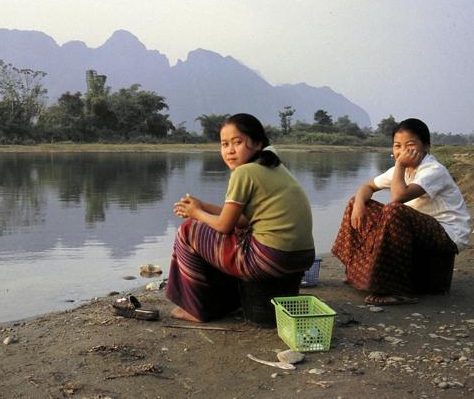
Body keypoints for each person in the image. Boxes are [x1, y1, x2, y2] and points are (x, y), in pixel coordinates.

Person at [166, 113, 316, 322]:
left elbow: (225, 226)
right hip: (301, 257)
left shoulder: (244, 173)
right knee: (236, 231)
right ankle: (228, 301)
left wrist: (196, 214)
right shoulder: (274, 168)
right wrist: (202, 207)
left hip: (271, 258)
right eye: (224, 144)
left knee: (188, 231)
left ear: (257, 143)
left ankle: (195, 309)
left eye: (237, 142)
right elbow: (241, 220)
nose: (229, 150)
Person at [332, 118, 471, 305]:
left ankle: (396, 291)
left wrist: (400, 165)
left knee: (394, 210)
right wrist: (358, 204)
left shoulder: (433, 170)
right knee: (356, 202)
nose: (403, 151)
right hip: (417, 228)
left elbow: (398, 196)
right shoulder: (401, 170)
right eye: (397, 145)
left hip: (447, 233)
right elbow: (367, 186)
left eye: (410, 145)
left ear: (426, 147)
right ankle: (357, 273)